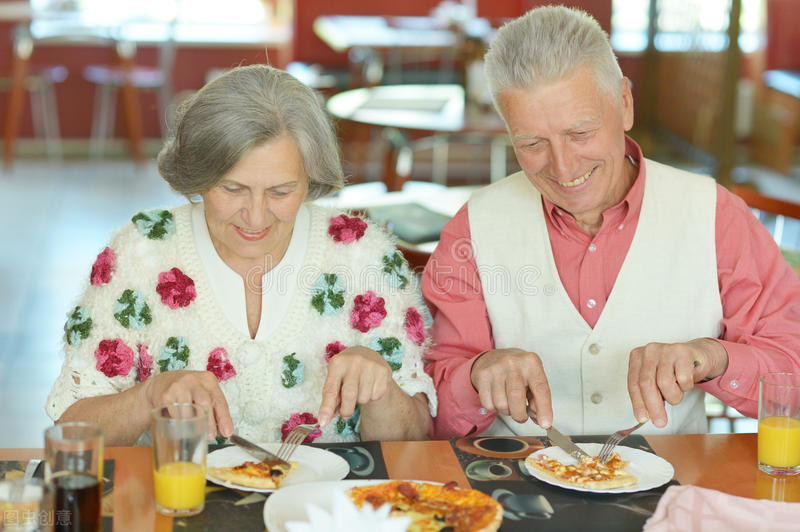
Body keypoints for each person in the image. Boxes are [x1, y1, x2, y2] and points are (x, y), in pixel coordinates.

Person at [422, 5, 800, 438]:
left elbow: (793, 372)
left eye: (580, 133)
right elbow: (432, 411)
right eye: (532, 143)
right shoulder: (474, 228)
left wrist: (712, 359)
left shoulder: (716, 216)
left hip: (672, 493)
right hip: (510, 492)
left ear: (624, 103)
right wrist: (475, 377)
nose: (563, 169)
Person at [47, 65, 436, 445]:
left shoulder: (362, 254)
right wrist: (146, 397)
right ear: (199, 177)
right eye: (233, 189)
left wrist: (381, 386)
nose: (255, 216)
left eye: (281, 192)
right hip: (179, 503)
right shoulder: (141, 252)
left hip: (328, 506)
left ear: (310, 179)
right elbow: (71, 431)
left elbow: (414, 438)